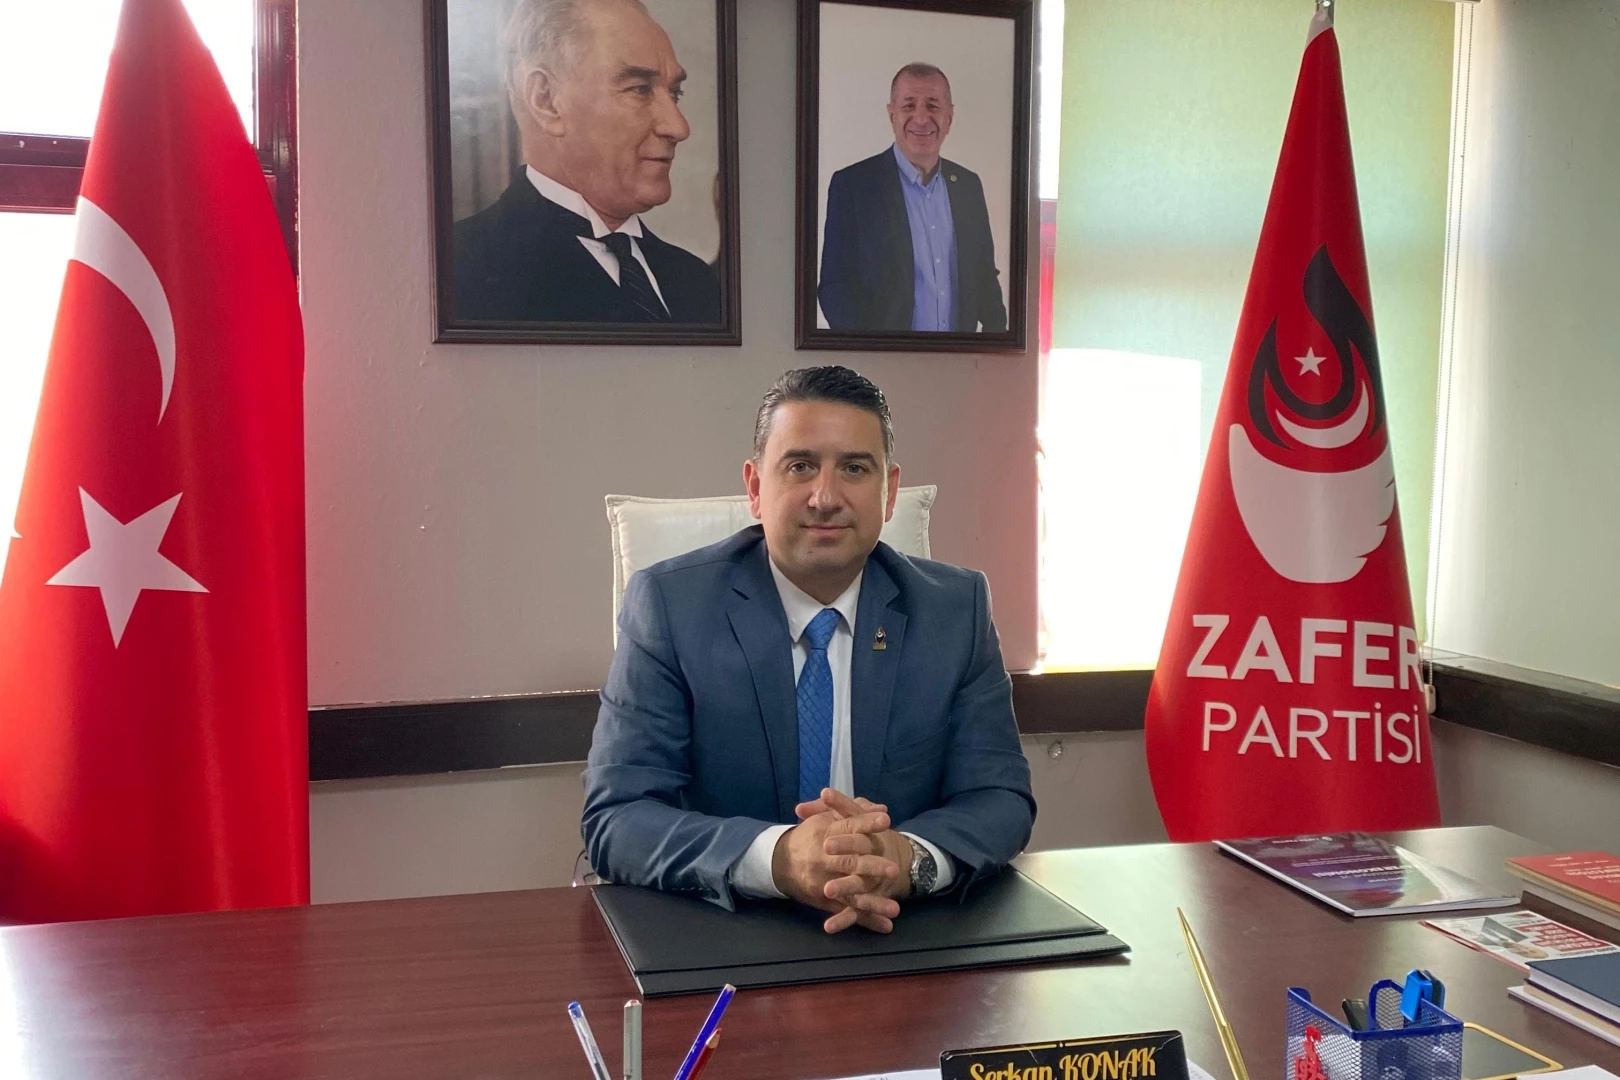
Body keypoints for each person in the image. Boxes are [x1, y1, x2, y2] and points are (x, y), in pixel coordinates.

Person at [582, 366, 1034, 934]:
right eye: (800, 466)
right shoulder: (671, 606)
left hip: (903, 927)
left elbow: (999, 798)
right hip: (724, 932)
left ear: (890, 492)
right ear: (755, 488)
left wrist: (906, 860)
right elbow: (617, 818)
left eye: (854, 468)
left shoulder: (954, 610)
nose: (825, 497)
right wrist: (780, 858)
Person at [452, 0, 722, 324]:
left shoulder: (697, 281)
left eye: (675, 94)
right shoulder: (460, 270)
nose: (679, 127)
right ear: (547, 101)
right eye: (640, 90)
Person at [817, 63, 1008, 334]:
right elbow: (835, 286)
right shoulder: (853, 186)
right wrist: (867, 351)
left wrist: (996, 346)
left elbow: (984, 278)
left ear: (949, 117)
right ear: (891, 114)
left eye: (932, 105)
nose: (921, 118)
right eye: (908, 105)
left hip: (960, 357)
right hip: (884, 356)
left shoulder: (968, 186)